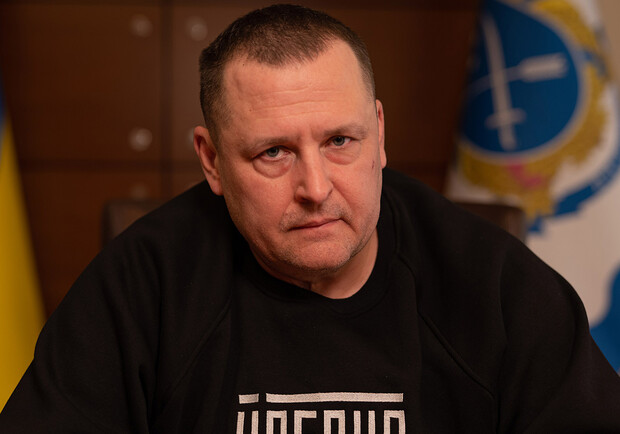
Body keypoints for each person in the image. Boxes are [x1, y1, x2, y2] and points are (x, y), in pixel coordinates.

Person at [1, 4, 619, 433]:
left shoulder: (496, 284)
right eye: (274, 152)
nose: (316, 189)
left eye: (340, 141)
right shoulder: (142, 284)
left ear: (379, 133)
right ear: (211, 161)